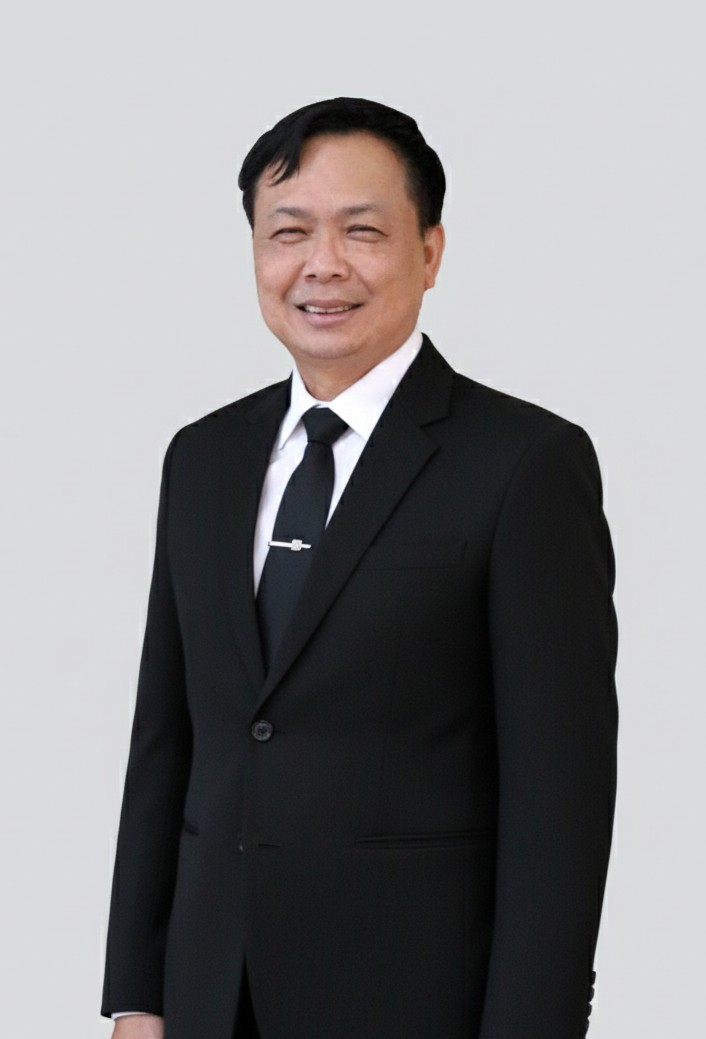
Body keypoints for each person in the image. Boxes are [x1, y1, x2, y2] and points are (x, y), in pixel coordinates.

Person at [101, 97, 618, 1039]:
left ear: (430, 251)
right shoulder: (202, 458)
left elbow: (561, 802)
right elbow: (166, 742)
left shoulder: (523, 465)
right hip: (208, 996)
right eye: (288, 231)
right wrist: (138, 994)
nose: (322, 264)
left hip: (415, 1002)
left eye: (363, 231)